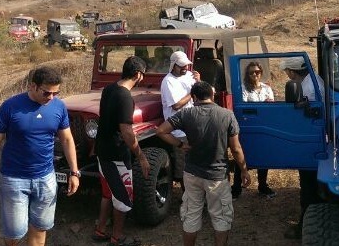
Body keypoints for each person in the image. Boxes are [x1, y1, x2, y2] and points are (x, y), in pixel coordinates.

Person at [0, 66, 80, 246]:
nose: (51, 98)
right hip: (14, 181)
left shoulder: (58, 107)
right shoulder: (10, 107)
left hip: (46, 180)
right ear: (33, 86)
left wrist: (74, 172)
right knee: (14, 235)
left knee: (40, 229)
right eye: (47, 93)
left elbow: (67, 140)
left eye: (56, 93)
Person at [156, 81, 252, 246]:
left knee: (191, 215)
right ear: (212, 95)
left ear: (193, 97)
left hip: (192, 174)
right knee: (221, 217)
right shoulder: (227, 115)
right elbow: (236, 149)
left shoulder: (186, 114)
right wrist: (244, 170)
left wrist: (180, 144)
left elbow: (160, 130)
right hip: (217, 176)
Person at [93, 56, 150, 246]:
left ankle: (100, 230)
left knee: (107, 193)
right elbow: (126, 131)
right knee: (123, 197)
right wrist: (141, 157)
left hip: (103, 150)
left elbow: (103, 118)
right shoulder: (125, 96)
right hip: (117, 154)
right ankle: (117, 237)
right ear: (138, 74)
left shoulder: (109, 89)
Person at [279, 56, 325, 240]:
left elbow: (310, 108)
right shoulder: (312, 80)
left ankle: (308, 226)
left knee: (309, 187)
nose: (287, 75)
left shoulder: (310, 86)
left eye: (287, 71)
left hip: (311, 141)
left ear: (292, 71)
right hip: (313, 138)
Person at [232, 62, 276, 199]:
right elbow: (244, 107)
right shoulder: (244, 89)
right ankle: (236, 187)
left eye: (257, 72)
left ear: (261, 73)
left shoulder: (266, 88)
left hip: (264, 125)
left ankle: (262, 185)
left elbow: (272, 105)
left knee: (263, 155)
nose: (255, 74)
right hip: (248, 125)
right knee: (242, 154)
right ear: (248, 74)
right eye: (252, 72)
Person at [161, 50, 201, 184]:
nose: (185, 68)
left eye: (186, 65)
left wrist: (199, 82)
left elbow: (202, 94)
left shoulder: (190, 75)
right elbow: (176, 105)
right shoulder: (168, 82)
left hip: (192, 125)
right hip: (179, 130)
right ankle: (186, 197)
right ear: (173, 66)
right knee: (184, 168)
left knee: (195, 164)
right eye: (182, 66)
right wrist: (193, 91)